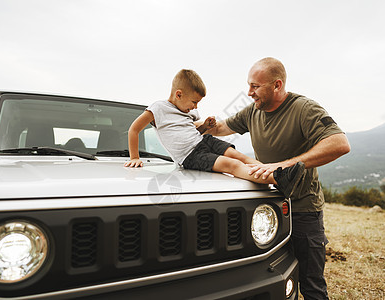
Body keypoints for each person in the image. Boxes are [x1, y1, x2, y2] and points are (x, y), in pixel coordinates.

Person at [203, 58, 351, 299]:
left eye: (255, 86)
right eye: (248, 86)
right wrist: (196, 123)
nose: (249, 93)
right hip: (268, 207)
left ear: (277, 85)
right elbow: (221, 128)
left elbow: (340, 144)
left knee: (311, 284)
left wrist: (281, 165)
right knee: (272, 278)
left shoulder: (304, 108)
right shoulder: (253, 111)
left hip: (303, 210)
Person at [124, 69, 305, 198]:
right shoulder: (158, 109)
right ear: (178, 94)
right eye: (194, 102)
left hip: (204, 140)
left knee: (237, 155)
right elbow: (134, 129)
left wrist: (204, 127)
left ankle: (278, 173)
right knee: (231, 164)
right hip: (190, 155)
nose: (195, 107)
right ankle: (276, 180)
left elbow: (190, 131)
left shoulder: (189, 112)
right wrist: (134, 157)